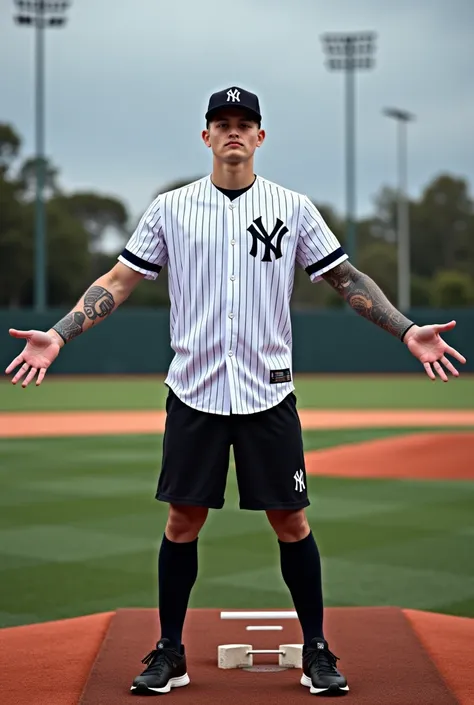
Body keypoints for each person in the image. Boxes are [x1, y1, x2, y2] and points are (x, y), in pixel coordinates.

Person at [5, 86, 466, 697]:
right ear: (205, 136)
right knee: (182, 520)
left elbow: (344, 277)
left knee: (291, 522)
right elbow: (119, 279)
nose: (233, 133)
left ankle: (318, 650)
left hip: (268, 392)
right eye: (221, 123)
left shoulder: (294, 208)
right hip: (194, 390)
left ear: (259, 137)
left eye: (244, 124)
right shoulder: (169, 210)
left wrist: (407, 330)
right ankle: (170, 650)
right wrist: (60, 335)